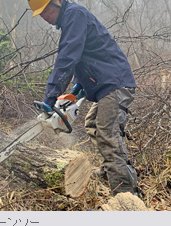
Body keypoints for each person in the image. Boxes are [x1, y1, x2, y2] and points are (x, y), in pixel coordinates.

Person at [28, 0, 139, 196]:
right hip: (107, 83)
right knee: (93, 124)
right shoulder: (72, 19)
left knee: (108, 134)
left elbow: (68, 57)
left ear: (58, 2)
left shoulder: (74, 15)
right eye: (41, 14)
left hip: (114, 84)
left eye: (46, 11)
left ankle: (126, 195)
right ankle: (110, 171)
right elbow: (86, 55)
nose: (45, 17)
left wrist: (51, 96)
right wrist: (78, 87)